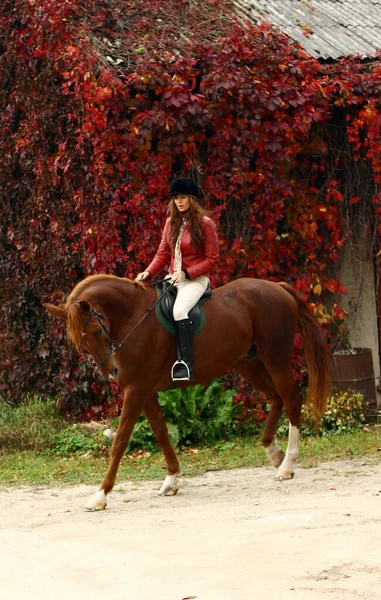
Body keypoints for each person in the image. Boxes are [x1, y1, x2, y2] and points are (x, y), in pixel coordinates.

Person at [136, 177, 219, 381]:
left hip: (195, 279)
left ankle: (185, 365)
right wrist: (148, 272)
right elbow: (163, 253)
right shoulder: (171, 223)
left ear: (191, 199)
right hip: (174, 278)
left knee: (179, 310)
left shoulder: (205, 224)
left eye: (183, 197)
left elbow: (213, 259)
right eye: (176, 198)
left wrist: (189, 273)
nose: (179, 202)